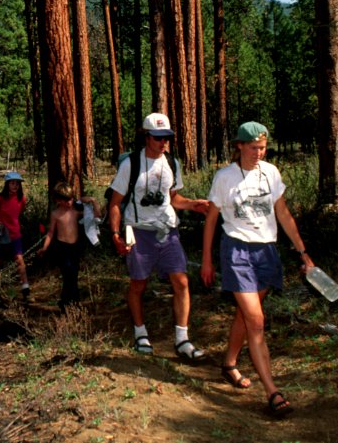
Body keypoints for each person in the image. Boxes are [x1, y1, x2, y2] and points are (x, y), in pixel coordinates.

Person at [201, 122, 315, 417]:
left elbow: (283, 214)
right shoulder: (225, 177)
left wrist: (303, 252)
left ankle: (228, 364)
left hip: (266, 251)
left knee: (246, 314)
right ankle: (272, 391)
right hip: (236, 251)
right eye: (253, 148)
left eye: (263, 147)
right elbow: (212, 219)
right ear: (239, 146)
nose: (258, 153)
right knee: (256, 320)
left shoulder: (271, 173)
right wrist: (207, 260)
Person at [107, 112, 210, 361]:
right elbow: (115, 202)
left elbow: (173, 198)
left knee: (182, 282)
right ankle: (140, 333)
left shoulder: (172, 163)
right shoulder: (130, 164)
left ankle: (182, 339)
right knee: (139, 284)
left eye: (167, 138)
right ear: (146, 137)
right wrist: (115, 234)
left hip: (167, 230)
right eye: (157, 137)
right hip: (138, 231)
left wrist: (193, 204)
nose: (163, 143)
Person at [37, 182, 97, 310]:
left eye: (70, 199)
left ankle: (69, 303)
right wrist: (44, 247)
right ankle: (69, 303)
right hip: (62, 248)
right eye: (66, 200)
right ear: (59, 200)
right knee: (68, 275)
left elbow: (95, 216)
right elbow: (51, 232)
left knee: (73, 275)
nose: (69, 202)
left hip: (75, 248)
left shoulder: (76, 210)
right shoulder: (56, 214)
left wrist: (93, 201)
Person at [0, 171, 31, 300]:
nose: (15, 186)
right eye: (12, 183)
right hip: (1, 235)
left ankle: (25, 289)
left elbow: (19, 213)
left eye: (17, 184)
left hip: (15, 234)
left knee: (19, 260)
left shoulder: (21, 199)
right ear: (7, 184)